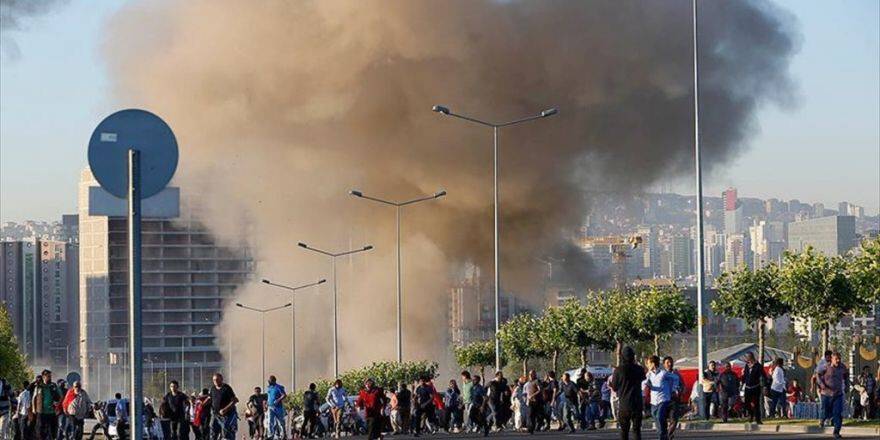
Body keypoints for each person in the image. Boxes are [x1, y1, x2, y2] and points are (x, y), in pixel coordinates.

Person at [609, 346, 646, 440]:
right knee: (636, 430)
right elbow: (644, 380)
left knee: (624, 431)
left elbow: (615, 387)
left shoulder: (618, 370)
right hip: (637, 403)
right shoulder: (639, 369)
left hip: (624, 404)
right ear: (633, 356)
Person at [817, 352, 849, 439]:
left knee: (838, 413)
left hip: (838, 394)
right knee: (825, 412)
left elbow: (846, 376)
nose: (838, 361)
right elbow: (818, 375)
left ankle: (836, 432)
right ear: (832, 359)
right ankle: (822, 419)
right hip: (826, 394)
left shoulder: (842, 367)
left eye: (839, 359)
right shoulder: (825, 366)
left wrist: (847, 386)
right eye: (836, 359)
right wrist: (821, 384)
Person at [642, 355, 672, 440]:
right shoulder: (649, 374)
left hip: (663, 399)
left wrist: (673, 389)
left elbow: (675, 378)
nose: (647, 366)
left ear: (653, 363)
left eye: (648, 364)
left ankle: (662, 436)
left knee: (659, 416)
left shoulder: (663, 373)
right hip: (654, 400)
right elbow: (643, 385)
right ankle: (663, 434)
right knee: (655, 417)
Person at [205, 373, 238, 440]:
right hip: (215, 414)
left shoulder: (226, 388)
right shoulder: (212, 388)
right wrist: (202, 404)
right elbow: (209, 398)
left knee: (226, 432)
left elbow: (235, 400)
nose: (215, 381)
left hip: (226, 415)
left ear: (221, 379)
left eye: (217, 379)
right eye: (214, 380)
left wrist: (225, 409)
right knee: (213, 431)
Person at [31, 370, 61, 440]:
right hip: (41, 412)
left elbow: (60, 397)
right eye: (48, 376)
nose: (50, 378)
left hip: (52, 412)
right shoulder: (39, 387)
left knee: (53, 431)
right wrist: (33, 409)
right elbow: (34, 398)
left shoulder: (53, 386)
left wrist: (57, 406)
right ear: (43, 377)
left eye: (50, 376)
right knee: (41, 431)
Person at [741, 352, 765, 425]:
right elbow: (745, 375)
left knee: (756, 404)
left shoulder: (758, 366)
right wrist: (742, 383)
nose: (747, 359)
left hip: (755, 387)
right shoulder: (747, 366)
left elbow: (763, 375)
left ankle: (758, 419)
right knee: (747, 403)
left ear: (752, 357)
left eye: (748, 357)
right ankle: (751, 416)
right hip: (748, 387)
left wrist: (764, 386)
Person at [524, 371, 542, 435]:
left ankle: (533, 428)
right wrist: (526, 399)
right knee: (529, 415)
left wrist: (533, 395)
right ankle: (530, 428)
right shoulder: (527, 383)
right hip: (529, 401)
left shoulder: (537, 381)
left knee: (534, 415)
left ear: (535, 374)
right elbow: (525, 393)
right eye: (529, 374)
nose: (530, 375)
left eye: (532, 374)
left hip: (536, 401)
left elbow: (540, 390)